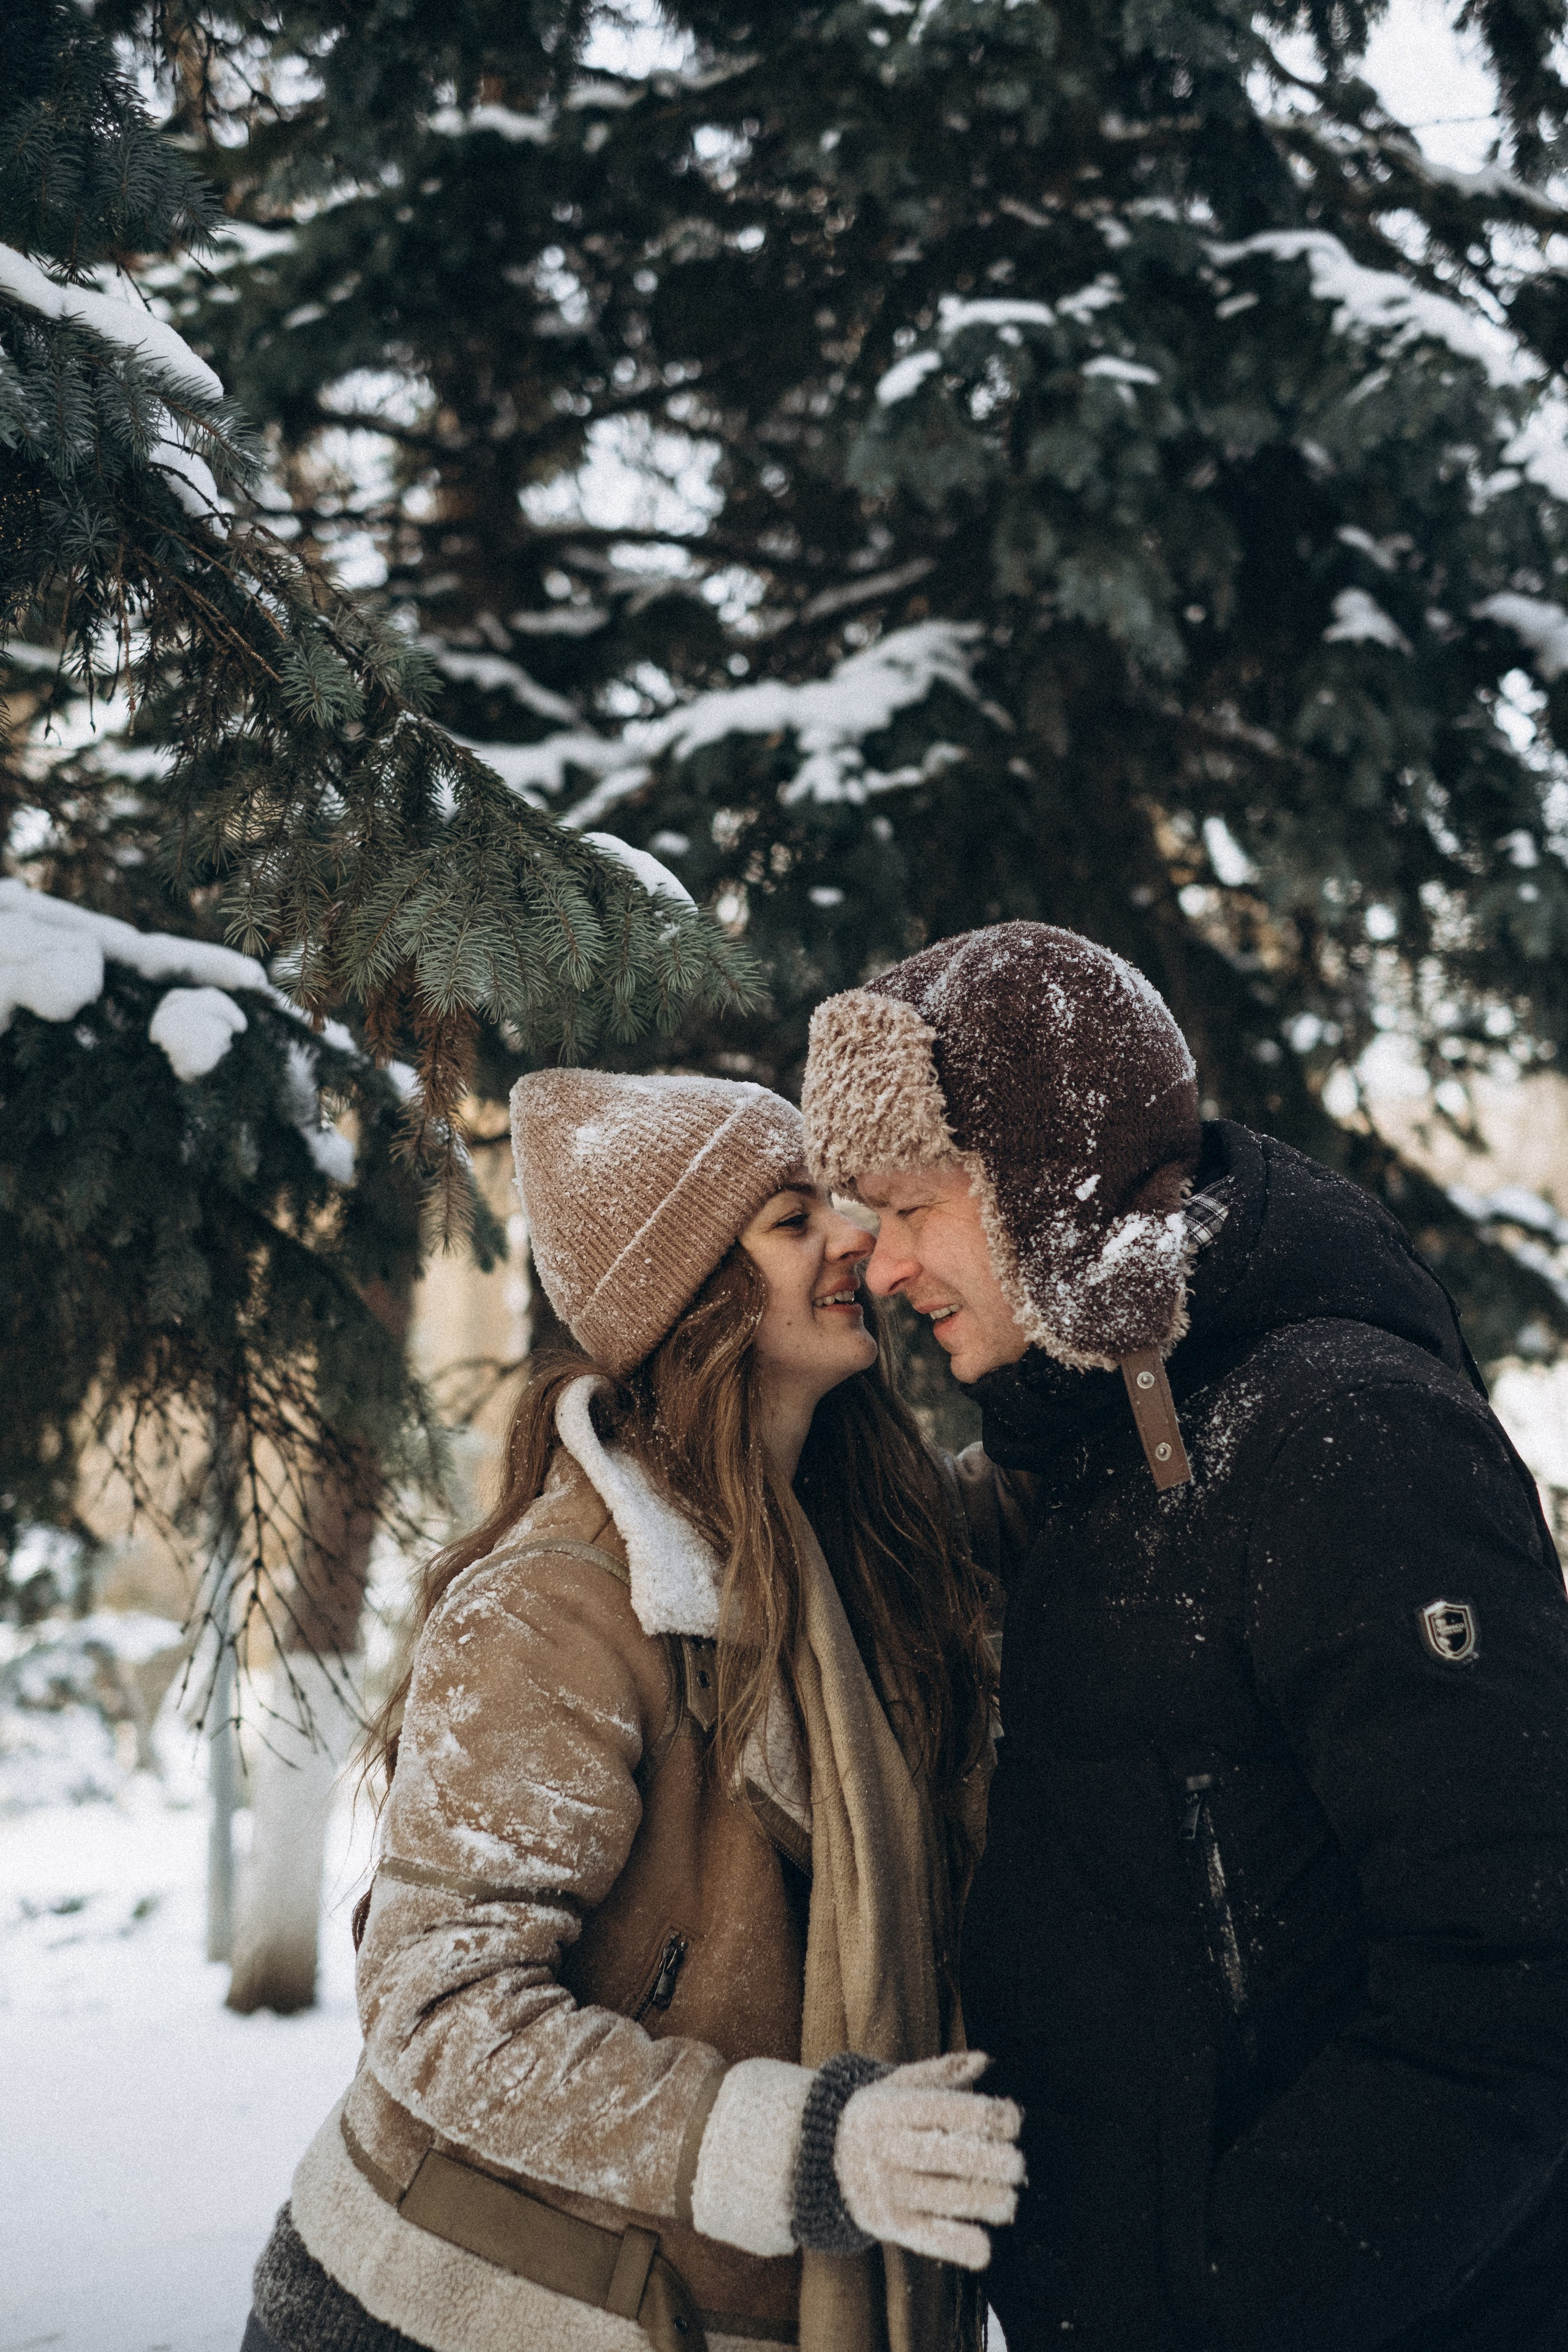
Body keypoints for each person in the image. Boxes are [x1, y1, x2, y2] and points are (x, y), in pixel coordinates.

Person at [801, 921, 1568, 2352]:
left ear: (1044, 1181)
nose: (884, 1265)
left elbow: (1512, 1973)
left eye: (911, 1206)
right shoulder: (1094, 1451)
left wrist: (1223, 2293)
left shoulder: (1340, 1434)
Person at [241, 1069, 1023, 2352]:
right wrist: (798, 2141)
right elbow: (442, 2011)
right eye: (789, 1220)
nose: (851, 1236)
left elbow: (1053, 1497)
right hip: (462, 2308)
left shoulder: (862, 1545)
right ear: (694, 1299)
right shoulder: (559, 1605)